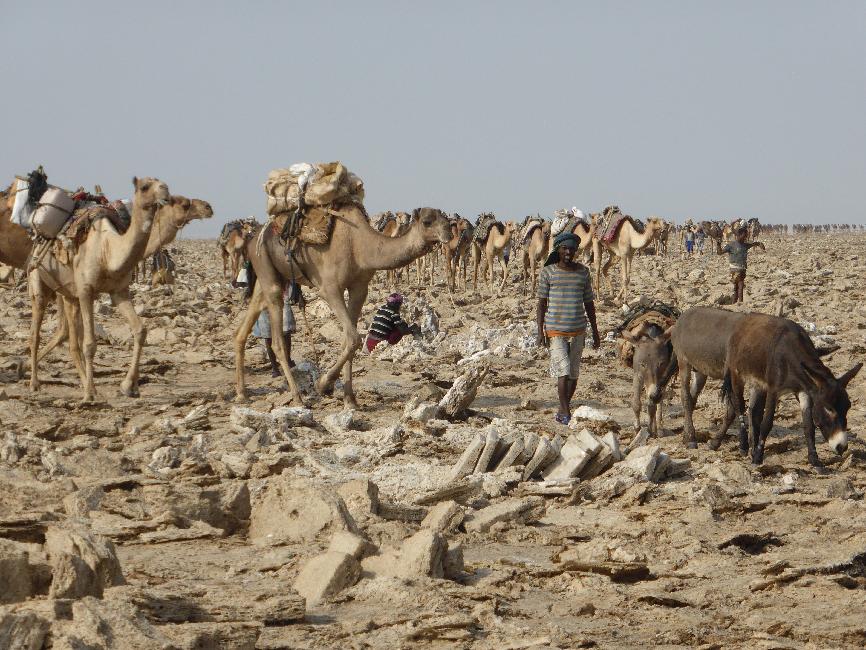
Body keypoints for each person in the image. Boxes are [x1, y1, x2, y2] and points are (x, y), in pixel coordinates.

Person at [536, 232, 600, 425]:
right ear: (558, 249)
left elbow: (589, 302)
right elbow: (541, 303)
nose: (568, 252)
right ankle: (565, 409)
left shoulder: (583, 272)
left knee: (573, 373)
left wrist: (596, 332)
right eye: (565, 248)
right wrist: (540, 331)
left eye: (572, 249)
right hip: (555, 330)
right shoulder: (548, 272)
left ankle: (564, 405)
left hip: (578, 329)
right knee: (562, 370)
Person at [252, 282, 299, 376]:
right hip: (263, 299)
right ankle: (274, 367)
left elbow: (292, 274)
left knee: (286, 332)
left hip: (282, 294)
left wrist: (298, 293)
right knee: (268, 335)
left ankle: (287, 360)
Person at [719, 225, 765, 303]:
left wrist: (760, 244)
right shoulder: (731, 245)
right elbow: (719, 252)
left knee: (737, 288)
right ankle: (740, 303)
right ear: (739, 235)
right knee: (740, 286)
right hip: (735, 269)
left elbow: (754, 244)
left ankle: (735, 303)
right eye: (744, 236)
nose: (745, 238)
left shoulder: (745, 245)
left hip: (743, 269)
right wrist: (718, 244)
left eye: (746, 236)